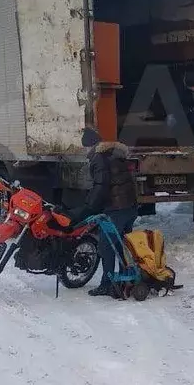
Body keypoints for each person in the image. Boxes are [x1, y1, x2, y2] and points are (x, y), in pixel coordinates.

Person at [69, 127, 139, 297]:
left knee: (106, 246)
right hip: (130, 207)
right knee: (123, 244)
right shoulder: (114, 154)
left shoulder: (98, 158)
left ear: (90, 145)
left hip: (116, 209)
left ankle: (106, 284)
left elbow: (100, 187)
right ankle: (125, 281)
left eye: (85, 147)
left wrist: (87, 208)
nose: (85, 151)